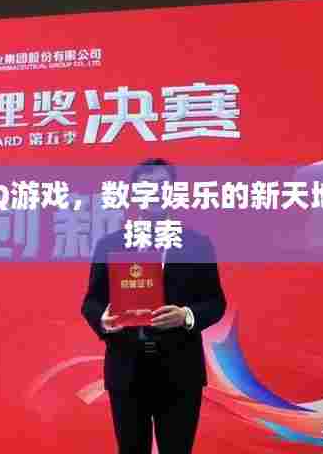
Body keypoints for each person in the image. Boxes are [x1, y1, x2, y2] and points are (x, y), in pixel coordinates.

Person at [81, 158, 226, 454]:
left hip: (179, 371)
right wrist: (103, 319)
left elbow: (215, 302)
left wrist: (186, 315)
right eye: (146, 186)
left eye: (162, 185)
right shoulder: (111, 244)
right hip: (126, 369)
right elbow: (91, 302)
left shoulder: (197, 245)